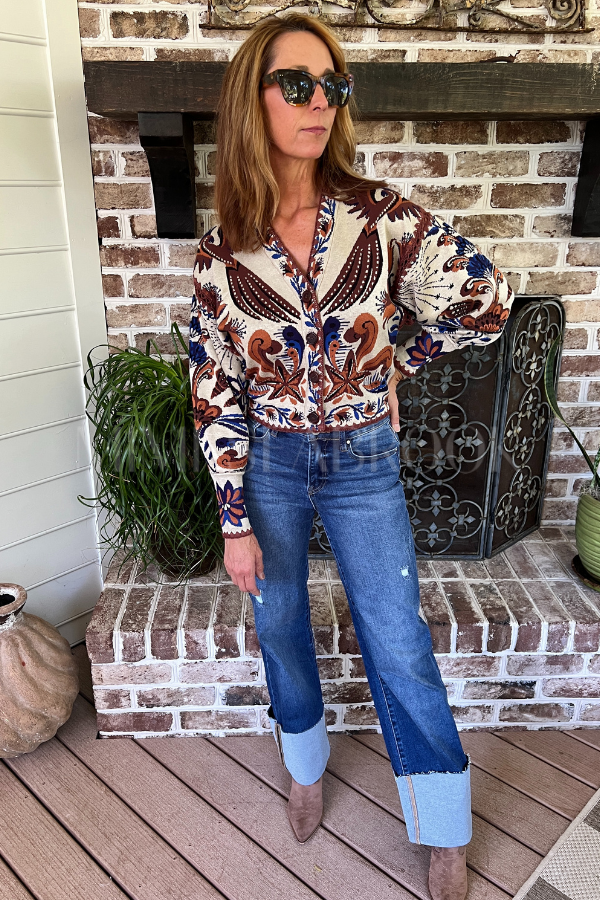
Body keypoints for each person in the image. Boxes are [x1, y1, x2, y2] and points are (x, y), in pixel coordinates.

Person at [188, 13, 513, 900]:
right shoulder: (221, 253)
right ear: (252, 99)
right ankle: (304, 764)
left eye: (334, 85)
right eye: (298, 83)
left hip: (364, 458)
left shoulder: (382, 218)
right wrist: (233, 519)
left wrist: (398, 360)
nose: (321, 102)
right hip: (270, 463)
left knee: (397, 636)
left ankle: (441, 819)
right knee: (279, 625)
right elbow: (215, 386)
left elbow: (487, 300)